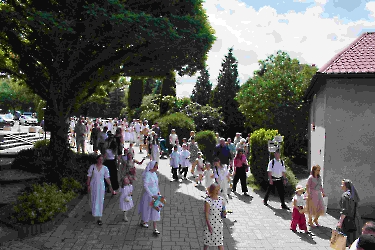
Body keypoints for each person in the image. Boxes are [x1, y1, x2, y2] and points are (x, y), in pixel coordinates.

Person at [87, 154, 113, 225]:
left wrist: (110, 186)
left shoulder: (105, 168)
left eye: (102, 160)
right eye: (99, 159)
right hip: (93, 185)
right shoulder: (92, 167)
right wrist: (88, 185)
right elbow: (89, 176)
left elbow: (107, 178)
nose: (101, 161)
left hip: (101, 186)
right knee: (93, 199)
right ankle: (94, 211)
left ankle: (99, 217)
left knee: (100, 200)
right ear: (97, 159)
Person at [138, 161, 162, 235]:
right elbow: (145, 186)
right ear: (152, 167)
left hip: (155, 195)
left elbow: (156, 184)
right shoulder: (148, 174)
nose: (157, 168)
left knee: (156, 210)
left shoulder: (154, 174)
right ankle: (143, 221)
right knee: (146, 209)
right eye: (155, 167)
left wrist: (158, 192)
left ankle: (155, 228)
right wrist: (151, 195)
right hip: (149, 196)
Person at [337, 179, 362, 247]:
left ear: (346, 186)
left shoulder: (345, 196)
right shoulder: (353, 194)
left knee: (343, 239)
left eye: (342, 184)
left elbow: (344, 211)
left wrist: (340, 222)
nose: (341, 186)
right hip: (355, 220)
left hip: (347, 221)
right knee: (352, 238)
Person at [204, 183, 225, 250]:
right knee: (207, 243)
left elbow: (223, 212)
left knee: (220, 243)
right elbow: (206, 214)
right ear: (212, 191)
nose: (218, 191)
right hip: (211, 224)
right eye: (216, 190)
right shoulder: (208, 201)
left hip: (218, 224)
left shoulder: (221, 199)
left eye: (218, 190)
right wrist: (209, 226)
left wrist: (224, 212)